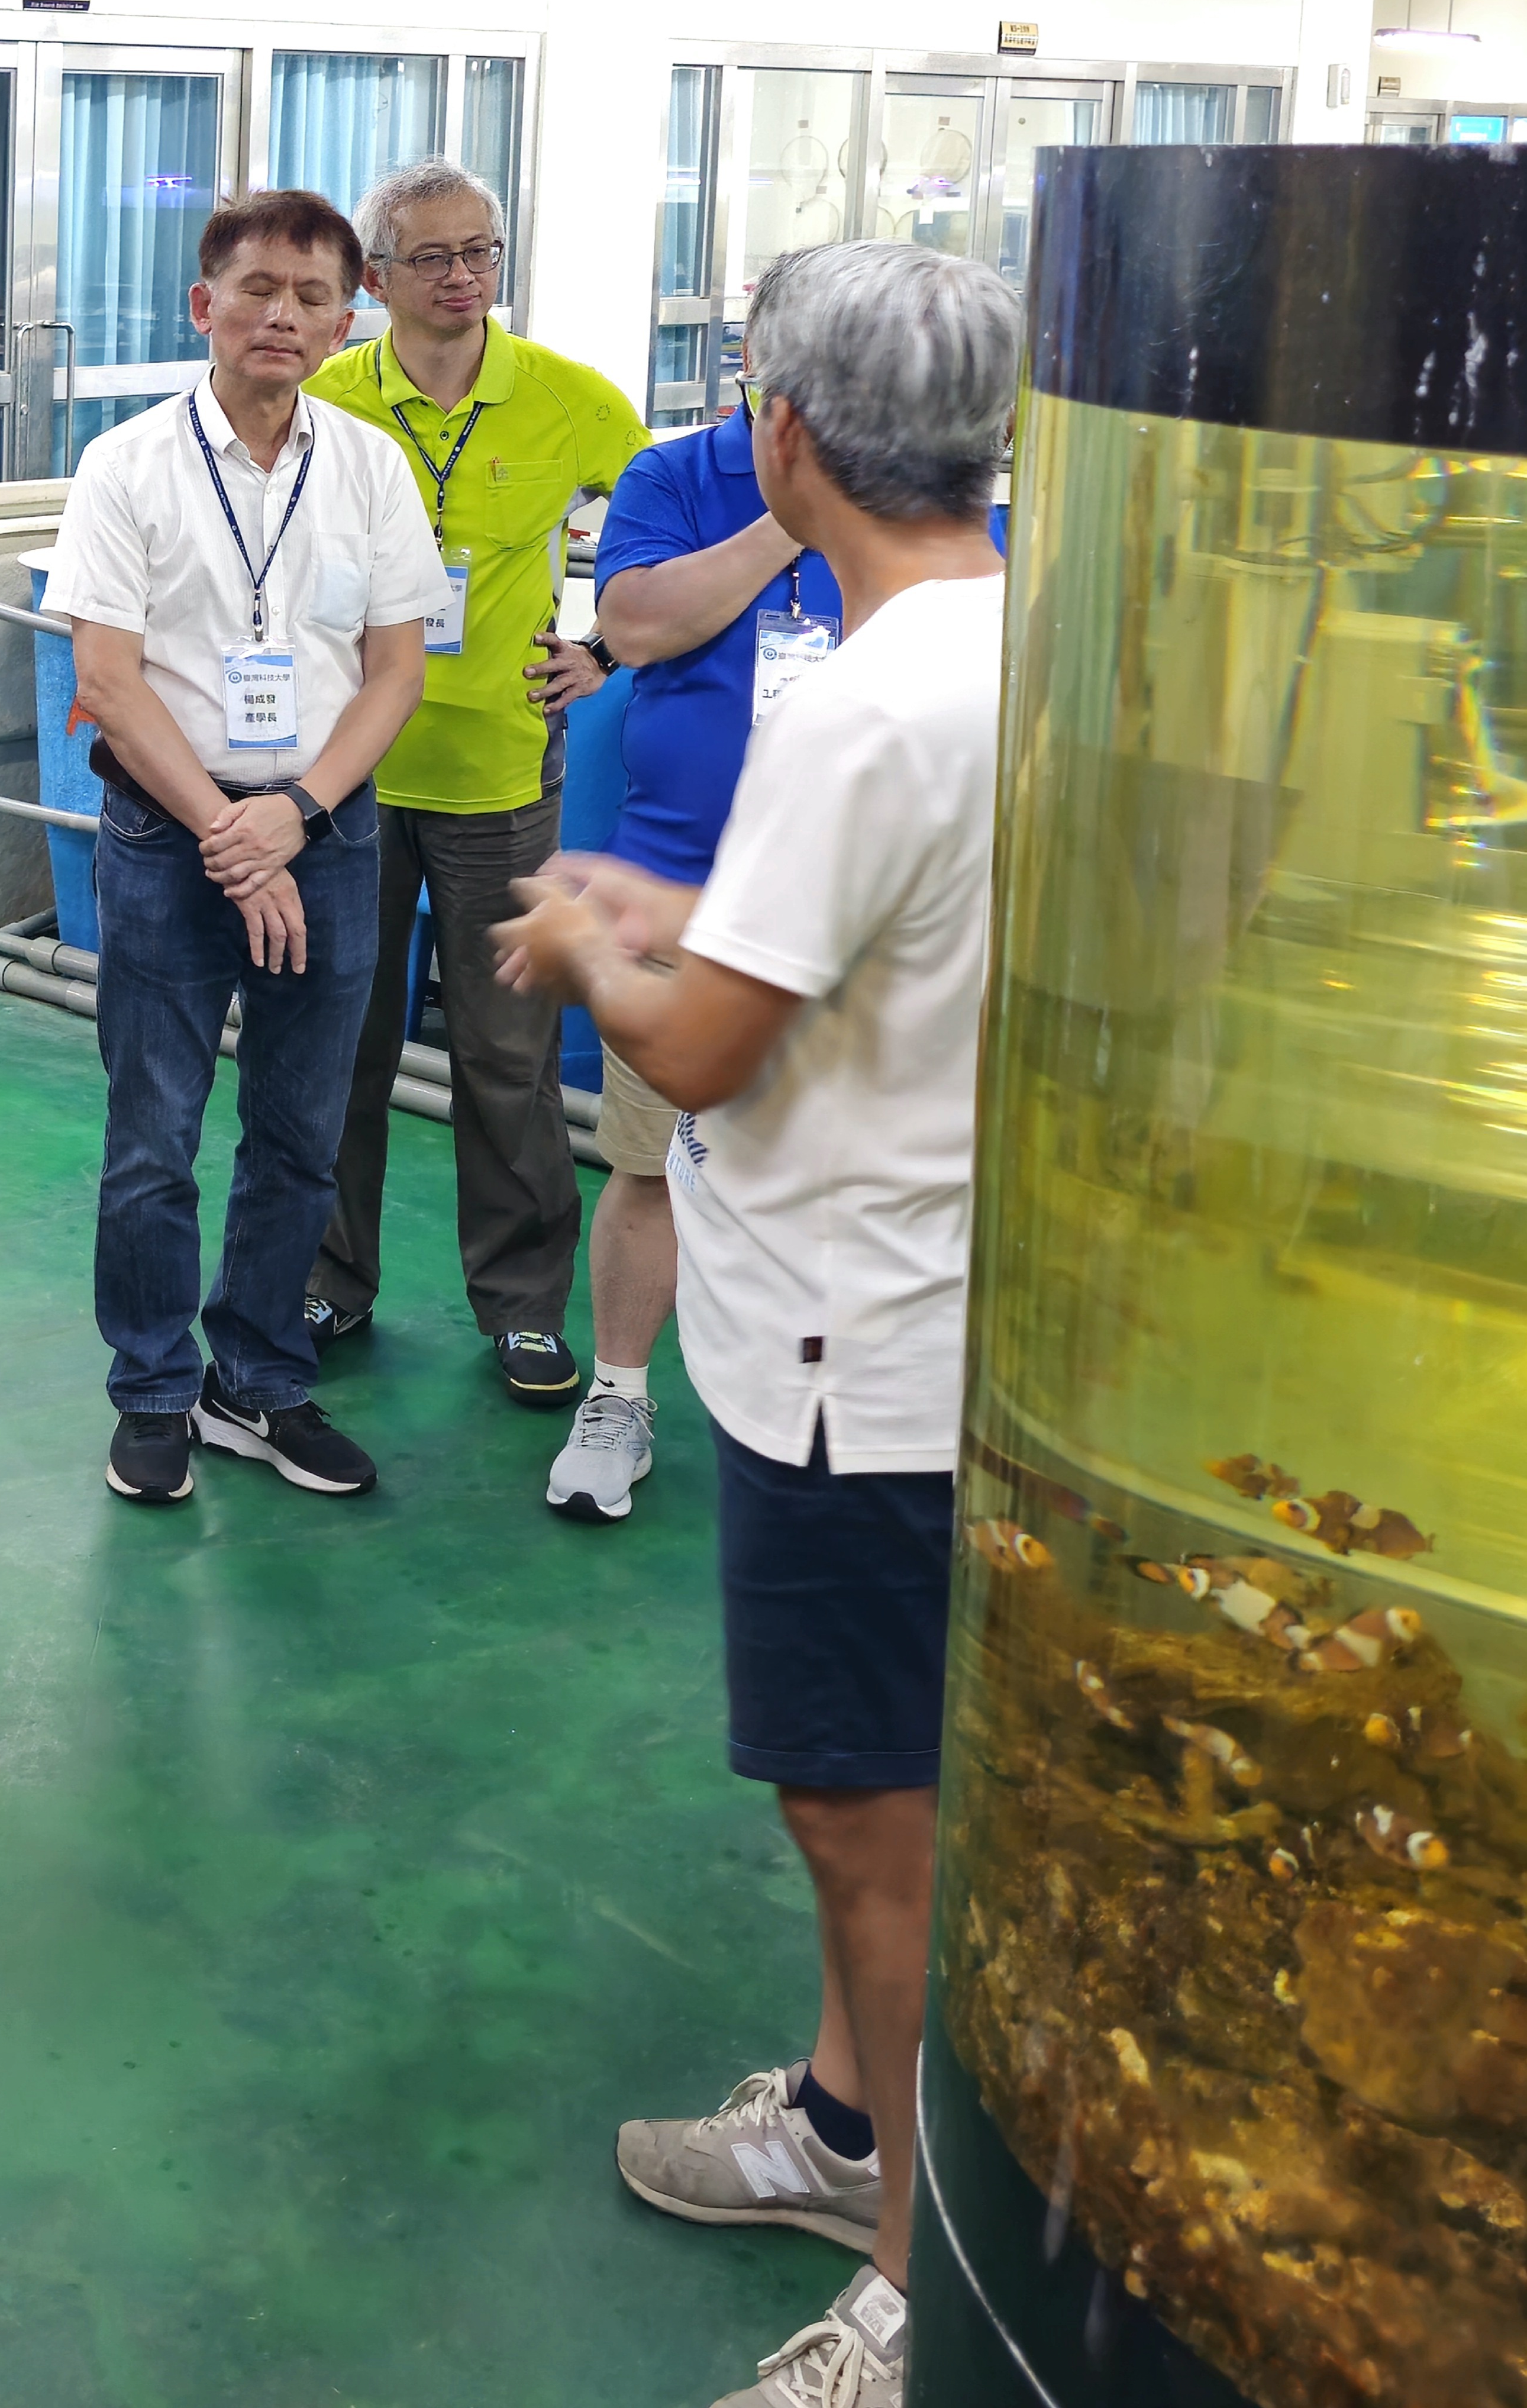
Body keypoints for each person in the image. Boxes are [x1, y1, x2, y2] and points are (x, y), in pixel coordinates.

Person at [492, 241, 1019, 2408]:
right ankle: (826, 2123)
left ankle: (912, 2288)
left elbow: (700, 1055)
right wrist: (682, 922)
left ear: (781, 432)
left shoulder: (862, 697)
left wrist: (584, 937)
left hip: (847, 1350)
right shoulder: (1015, 642)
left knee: (863, 1818)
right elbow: (848, 953)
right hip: (928, 1299)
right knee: (864, 1801)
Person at [46, 189, 443, 1511]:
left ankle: (258, 1380)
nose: (283, 314)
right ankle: (154, 1388)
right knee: (152, 1132)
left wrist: (298, 818)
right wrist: (231, 832)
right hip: (171, 837)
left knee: (301, 1132)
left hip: (322, 833)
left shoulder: (370, 467)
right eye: (258, 289)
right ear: (203, 306)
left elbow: (393, 671)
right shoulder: (128, 466)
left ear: (346, 320)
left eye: (313, 296)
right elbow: (104, 670)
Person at [301, 160, 645, 1407]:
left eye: (481, 253)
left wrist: (602, 647)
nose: (461, 278)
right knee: (338, 1042)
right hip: (342, 775)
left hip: (500, 775)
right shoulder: (329, 391)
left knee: (507, 1056)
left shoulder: (567, 399)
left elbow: (666, 520)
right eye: (433, 257)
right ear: (377, 276)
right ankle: (328, 1278)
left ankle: (519, 1308)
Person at [542, 381, 858, 1523]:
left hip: (861, 902)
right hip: (684, 890)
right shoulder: (675, 477)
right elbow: (631, 627)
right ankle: (619, 1397)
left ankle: (832, 1419)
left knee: (856, 1182)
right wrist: (794, 503)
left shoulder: (929, 497)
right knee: (650, 1164)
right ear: (753, 370)